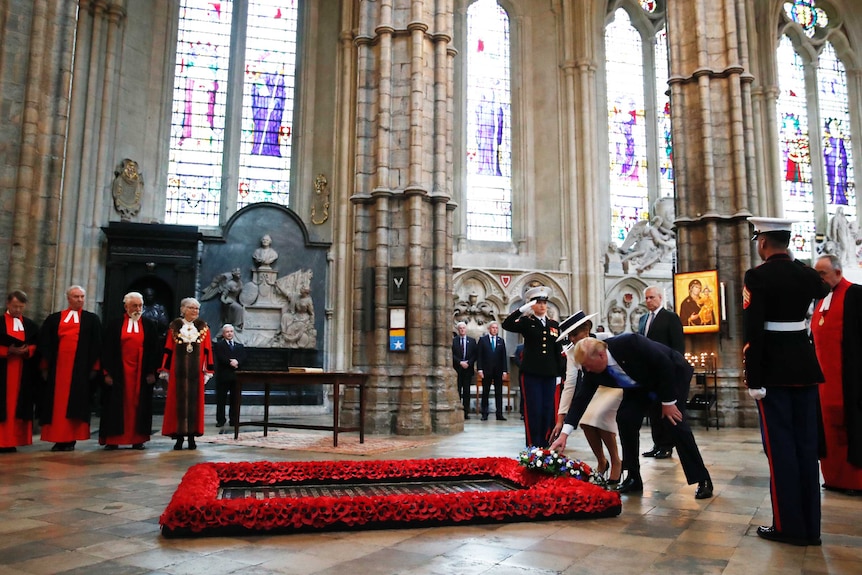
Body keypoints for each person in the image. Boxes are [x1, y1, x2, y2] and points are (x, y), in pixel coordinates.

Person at [743, 217, 829, 546]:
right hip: (805, 369)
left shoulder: (757, 276)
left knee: (780, 452)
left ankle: (788, 526)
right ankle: (811, 528)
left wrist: (754, 378)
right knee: (807, 450)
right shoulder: (806, 274)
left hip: (773, 374)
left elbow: (753, 332)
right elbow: (822, 288)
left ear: (763, 243)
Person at [551, 335, 713, 500]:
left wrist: (669, 402)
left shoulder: (630, 343)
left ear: (601, 355)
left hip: (670, 374)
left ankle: (702, 479)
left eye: (588, 366)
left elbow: (664, 364)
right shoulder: (591, 367)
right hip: (639, 383)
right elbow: (581, 399)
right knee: (626, 418)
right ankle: (633, 476)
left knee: (674, 422)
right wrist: (564, 434)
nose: (588, 370)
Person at [552, 311, 622, 484]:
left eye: (575, 334)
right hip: (592, 389)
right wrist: (561, 419)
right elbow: (570, 384)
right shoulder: (571, 353)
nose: (573, 339)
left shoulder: (605, 339)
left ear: (587, 329)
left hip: (616, 387)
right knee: (585, 422)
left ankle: (616, 461)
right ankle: (601, 461)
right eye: (570, 336)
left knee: (600, 417)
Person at [811, 254, 862, 495]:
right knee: (828, 430)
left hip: (850, 381)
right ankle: (833, 477)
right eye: (816, 274)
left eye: (823, 273)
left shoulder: (856, 295)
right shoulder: (821, 300)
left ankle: (855, 481)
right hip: (824, 384)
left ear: (839, 273)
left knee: (851, 427)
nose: (819, 278)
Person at [39, 285, 102, 451]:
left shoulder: (91, 319)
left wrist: (94, 368)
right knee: (57, 406)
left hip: (80, 371)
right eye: (76, 297)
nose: (80, 300)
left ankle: (71, 438)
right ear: (68, 298)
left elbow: (97, 345)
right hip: (58, 370)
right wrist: (45, 366)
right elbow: (45, 344)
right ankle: (58, 438)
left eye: (82, 297)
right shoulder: (54, 319)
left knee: (76, 405)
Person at [502, 286, 566, 447]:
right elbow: (507, 324)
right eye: (538, 302)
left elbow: (557, 350)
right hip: (531, 373)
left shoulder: (553, 325)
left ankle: (546, 443)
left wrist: (560, 374)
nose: (542, 306)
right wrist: (521, 310)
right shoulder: (526, 322)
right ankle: (533, 445)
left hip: (550, 374)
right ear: (532, 305)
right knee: (533, 410)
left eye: (544, 302)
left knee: (547, 410)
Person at [99, 292, 162, 450]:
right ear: (126, 306)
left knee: (139, 406)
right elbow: (106, 350)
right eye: (134, 305)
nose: (138, 309)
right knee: (115, 405)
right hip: (119, 372)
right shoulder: (115, 324)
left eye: (140, 305)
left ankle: (137, 438)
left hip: (140, 373)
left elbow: (155, 350)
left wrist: (152, 372)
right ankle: (113, 440)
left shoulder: (148, 324)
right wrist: (106, 372)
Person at [159, 297, 214, 450]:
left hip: (196, 374)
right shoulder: (174, 327)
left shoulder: (203, 328)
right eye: (191, 308)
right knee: (177, 404)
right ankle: (178, 438)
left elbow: (208, 350)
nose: (195, 311)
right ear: (183, 309)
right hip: (178, 374)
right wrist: (165, 370)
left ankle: (191, 437)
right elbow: (168, 349)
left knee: (194, 405)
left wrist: (208, 371)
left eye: (197, 308)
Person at [639, 286, 685, 460]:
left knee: (666, 409)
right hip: (649, 372)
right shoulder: (643, 319)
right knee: (654, 410)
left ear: (659, 297)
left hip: (666, 370)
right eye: (646, 298)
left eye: (651, 297)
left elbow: (678, 347)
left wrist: (675, 369)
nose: (648, 301)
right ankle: (657, 443)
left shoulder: (670, 317)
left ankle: (666, 446)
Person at [0, 290, 39, 453]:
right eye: (15, 306)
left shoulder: (30, 325)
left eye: (21, 307)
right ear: (8, 304)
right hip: (3, 370)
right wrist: (6, 350)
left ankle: (13, 441)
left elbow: (37, 344)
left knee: (18, 406)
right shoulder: (0, 322)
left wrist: (27, 350)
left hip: (23, 372)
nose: (17, 310)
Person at [213, 323, 247, 428]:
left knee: (235, 399)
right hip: (224, 376)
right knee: (221, 400)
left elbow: (244, 357)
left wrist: (238, 362)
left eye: (231, 331)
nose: (229, 333)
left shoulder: (239, 346)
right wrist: (229, 362)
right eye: (227, 332)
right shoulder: (219, 345)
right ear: (223, 334)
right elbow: (220, 357)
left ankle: (234, 419)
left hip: (236, 377)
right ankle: (221, 420)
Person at [476, 321, 507, 421]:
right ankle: (484, 413)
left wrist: (504, 371)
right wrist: (480, 369)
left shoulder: (501, 341)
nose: (495, 330)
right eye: (493, 328)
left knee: (499, 392)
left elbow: (504, 357)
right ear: (489, 329)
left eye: (496, 328)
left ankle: (499, 414)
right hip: (486, 370)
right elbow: (479, 356)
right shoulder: (483, 340)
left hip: (498, 371)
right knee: (486, 392)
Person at [451, 321, 477, 419]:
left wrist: (469, 363)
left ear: (466, 329)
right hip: (458, 368)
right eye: (460, 328)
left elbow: (475, 354)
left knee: (467, 391)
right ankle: (457, 410)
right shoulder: (454, 341)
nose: (462, 330)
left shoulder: (472, 341)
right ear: (458, 330)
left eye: (463, 328)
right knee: (457, 390)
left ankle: (466, 412)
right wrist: (460, 362)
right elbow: (451, 354)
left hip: (468, 369)